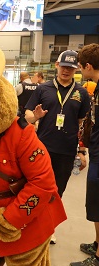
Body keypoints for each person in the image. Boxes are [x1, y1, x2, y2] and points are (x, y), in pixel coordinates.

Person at [25, 50, 91, 244]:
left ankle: (48, 228)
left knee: (57, 191)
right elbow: (27, 114)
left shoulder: (81, 93)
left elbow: (81, 125)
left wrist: (81, 151)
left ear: (76, 69)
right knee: (37, 188)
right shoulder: (42, 88)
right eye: (63, 67)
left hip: (66, 151)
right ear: (56, 65)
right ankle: (33, 223)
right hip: (42, 149)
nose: (66, 71)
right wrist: (35, 116)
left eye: (70, 68)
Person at [70, 43, 99, 266]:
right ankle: (98, 244)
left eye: (80, 67)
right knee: (94, 204)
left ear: (88, 66)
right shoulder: (95, 88)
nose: (79, 71)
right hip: (96, 153)